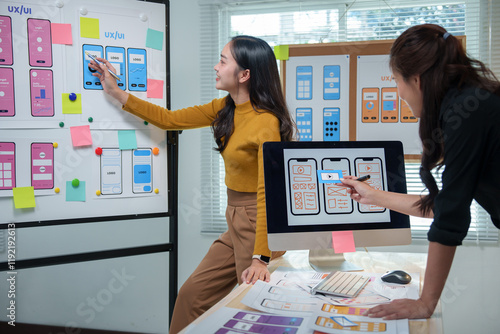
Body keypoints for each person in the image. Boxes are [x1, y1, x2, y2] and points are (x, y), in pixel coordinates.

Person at [89, 36, 295, 333]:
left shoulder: (266, 123)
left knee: (249, 308)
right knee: (192, 296)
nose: (216, 66)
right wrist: (117, 93)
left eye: (223, 61)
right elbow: (169, 119)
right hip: (235, 218)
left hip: (257, 222)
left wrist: (260, 258)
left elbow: (268, 195)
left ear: (244, 74)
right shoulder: (226, 107)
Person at [341, 24, 500, 320]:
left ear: (416, 78)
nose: (398, 91)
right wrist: (374, 196)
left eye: (396, 81)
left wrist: (425, 303)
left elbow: (451, 214)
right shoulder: (470, 102)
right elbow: (443, 206)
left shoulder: (468, 111)